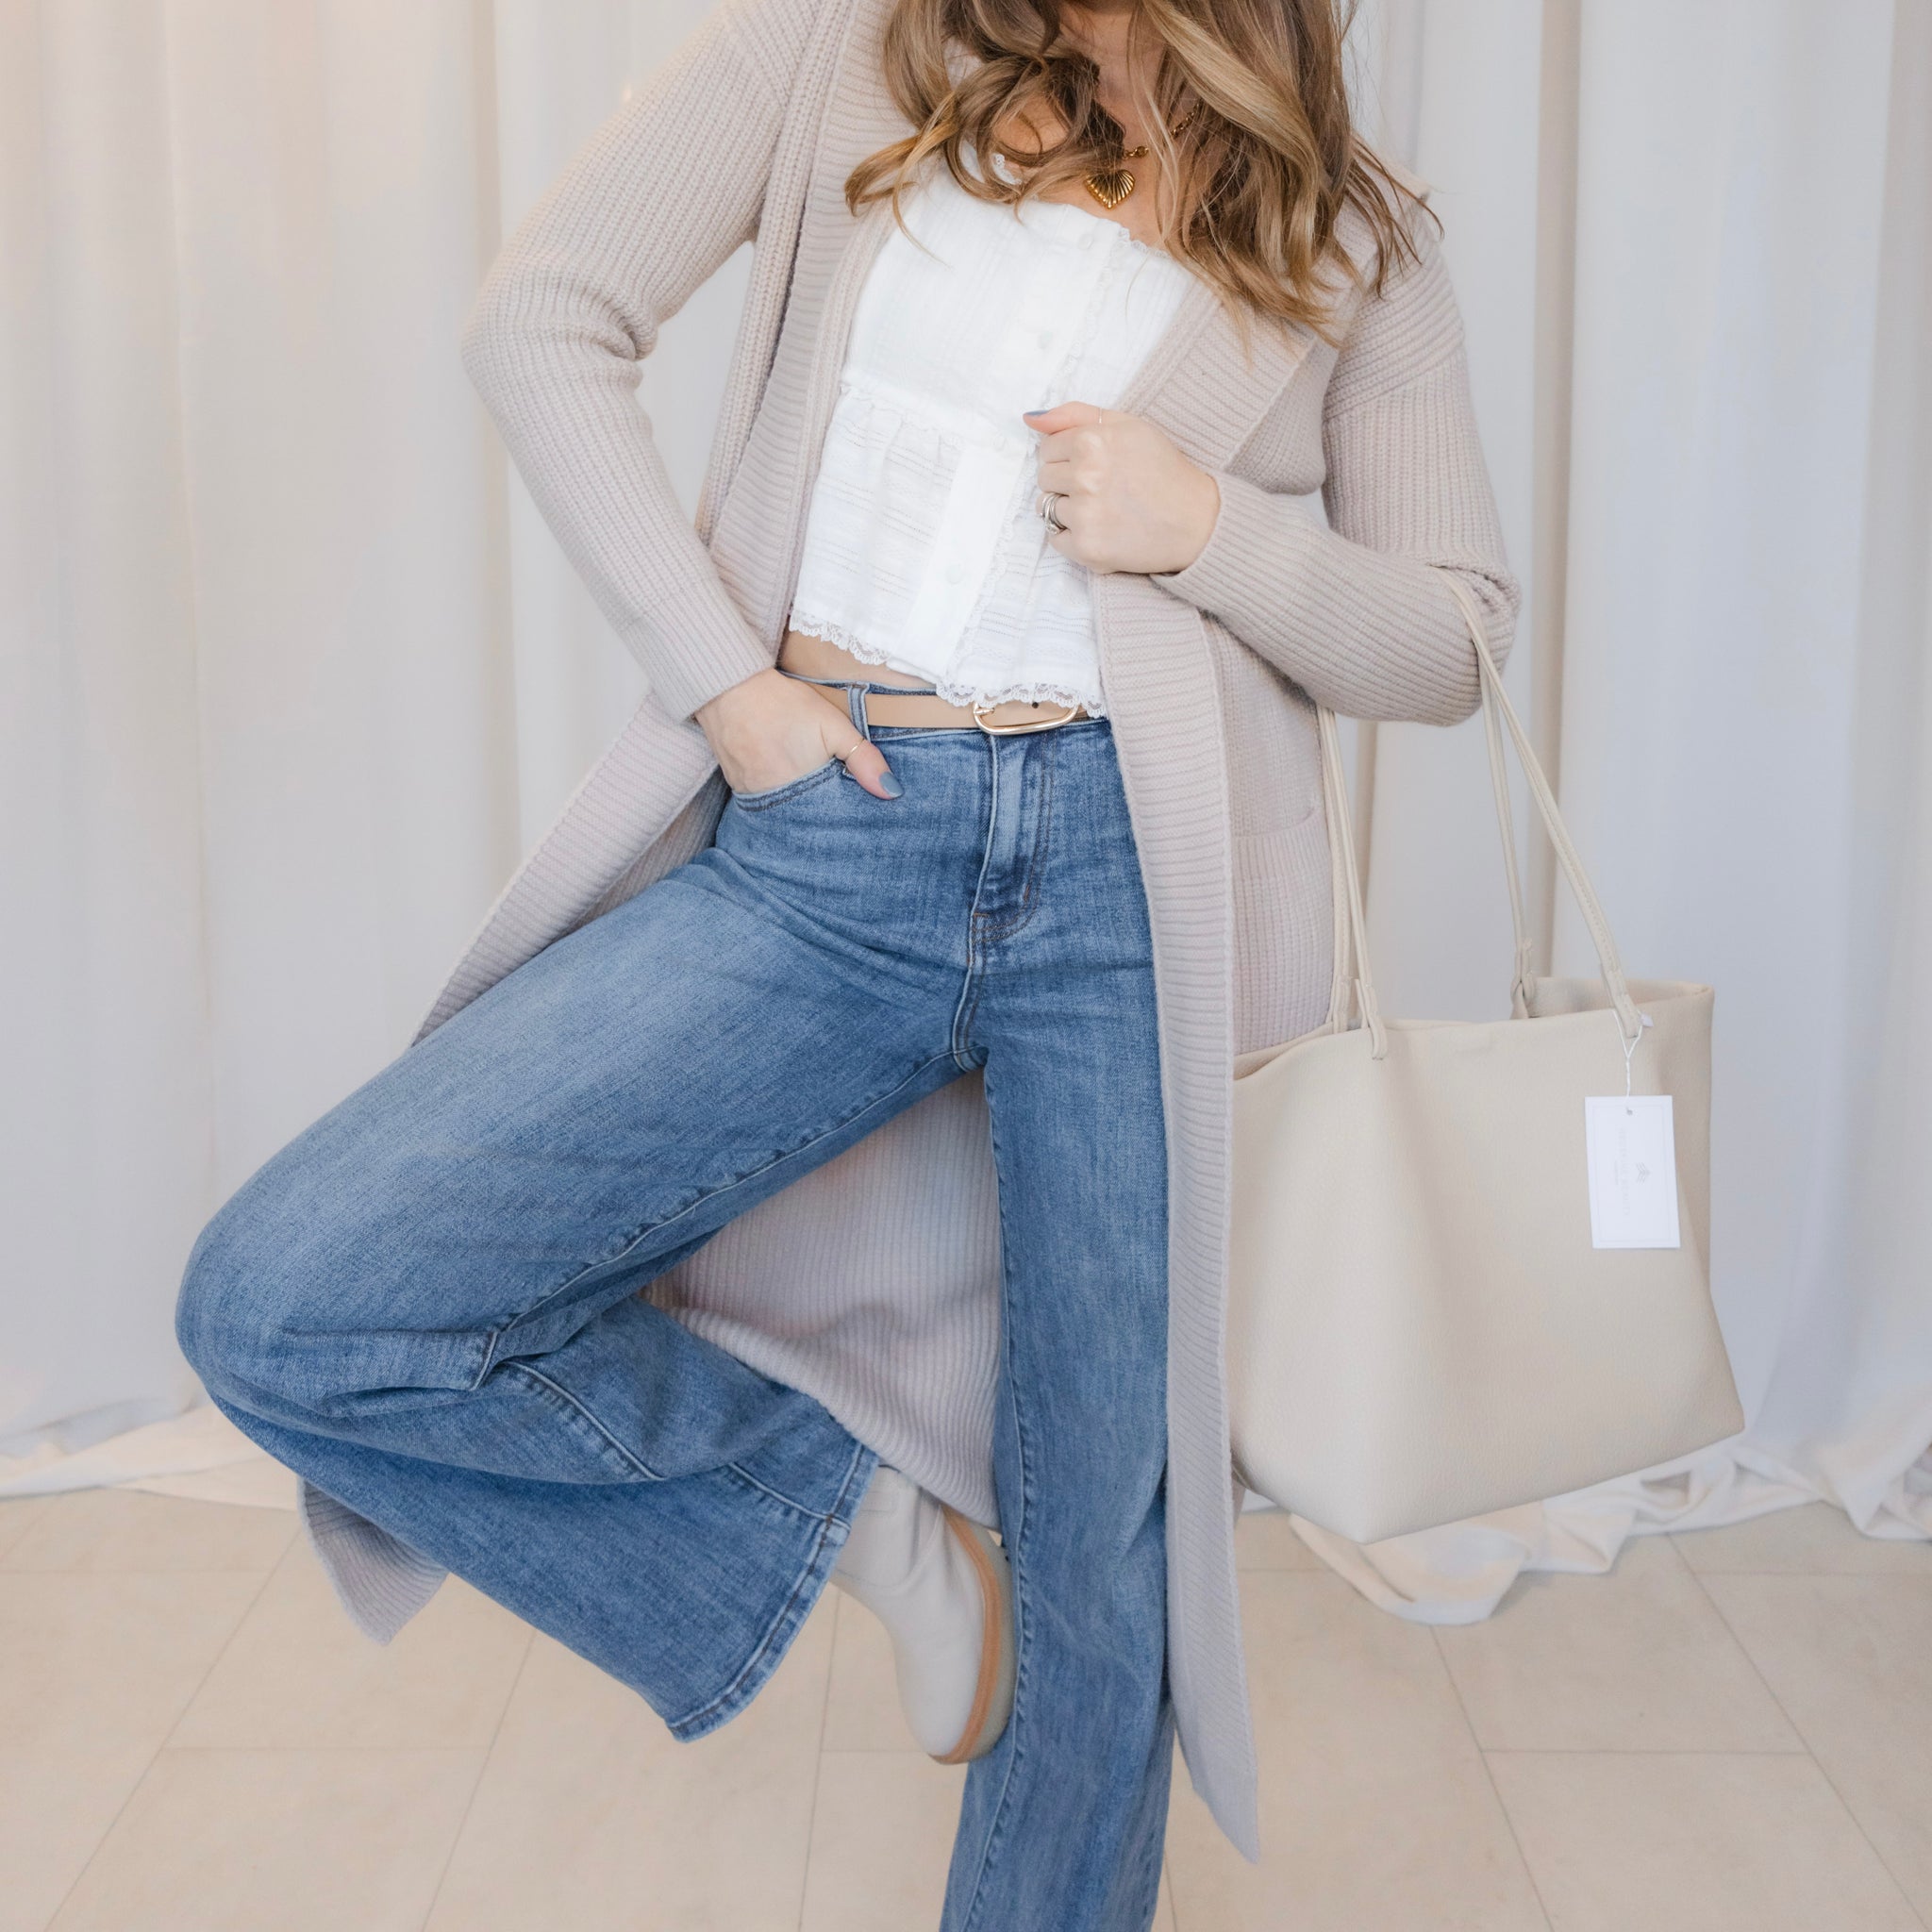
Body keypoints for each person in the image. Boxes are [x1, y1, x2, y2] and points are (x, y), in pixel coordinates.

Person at [174, 0, 1519, 1924]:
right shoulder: (835, 55)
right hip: (838, 833)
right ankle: (872, 1533)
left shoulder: (1349, 228)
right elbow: (539, 315)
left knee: (1103, 1542)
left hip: (1142, 885)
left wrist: (1212, 529)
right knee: (301, 1298)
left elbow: (1454, 640)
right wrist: (724, 682)